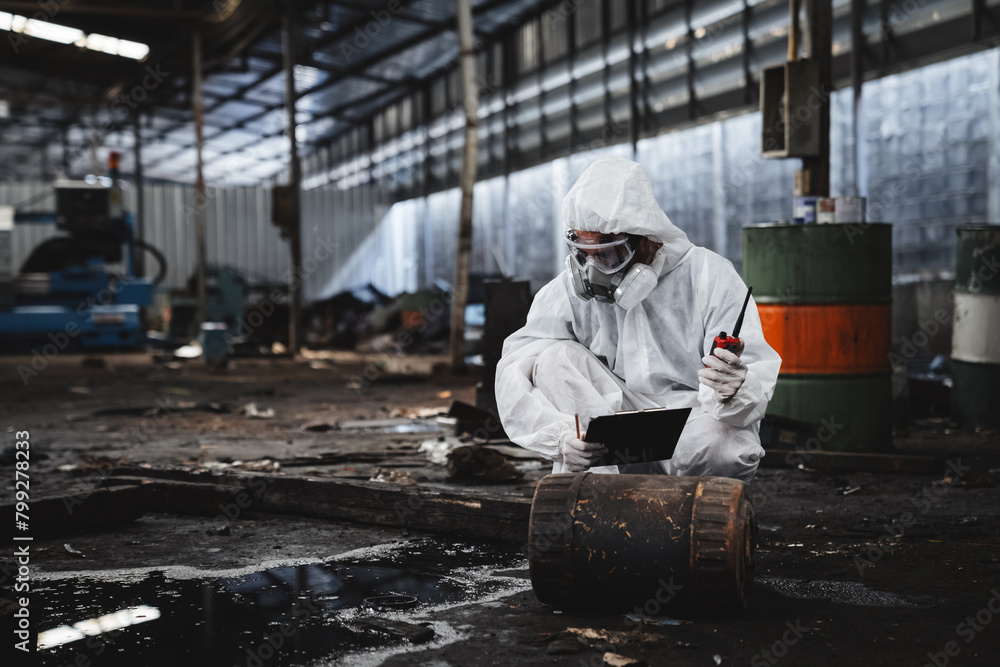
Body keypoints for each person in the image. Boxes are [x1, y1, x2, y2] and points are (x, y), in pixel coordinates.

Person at [495, 156, 781, 483]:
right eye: (582, 254)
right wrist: (559, 438)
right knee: (550, 359)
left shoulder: (708, 276)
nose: (593, 270)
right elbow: (514, 367)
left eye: (608, 254)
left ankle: (691, 509)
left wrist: (735, 389)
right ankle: (603, 495)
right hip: (609, 424)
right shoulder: (566, 292)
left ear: (645, 239)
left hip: (689, 422)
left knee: (726, 448)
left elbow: (752, 372)